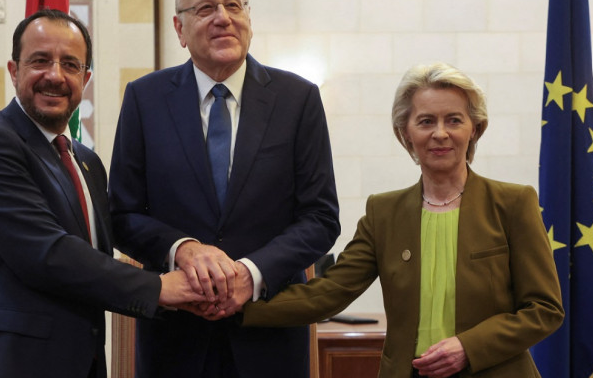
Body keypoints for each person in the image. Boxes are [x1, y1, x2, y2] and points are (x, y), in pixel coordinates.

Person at [241, 62, 564, 378]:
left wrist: (469, 347)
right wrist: (237, 306)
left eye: (454, 120)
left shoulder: (513, 203)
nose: (440, 134)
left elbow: (544, 309)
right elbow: (326, 294)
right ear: (405, 133)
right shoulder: (384, 213)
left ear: (475, 128)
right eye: (425, 121)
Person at [0, 9, 203, 378]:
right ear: (14, 71)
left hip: (80, 361)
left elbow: (98, 257)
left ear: (86, 78)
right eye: (40, 61)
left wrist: (189, 254)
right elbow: (47, 254)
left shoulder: (87, 162)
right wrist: (159, 287)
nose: (55, 76)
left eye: (70, 64)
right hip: (4, 363)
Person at [108, 0, 340, 377]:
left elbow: (320, 217)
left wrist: (250, 275)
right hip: (175, 340)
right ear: (180, 29)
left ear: (248, 21)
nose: (223, 17)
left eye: (233, 5)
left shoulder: (297, 99)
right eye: (205, 8)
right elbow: (122, 215)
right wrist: (182, 248)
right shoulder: (145, 99)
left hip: (270, 337)